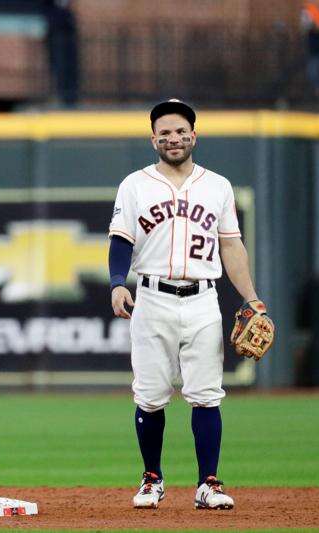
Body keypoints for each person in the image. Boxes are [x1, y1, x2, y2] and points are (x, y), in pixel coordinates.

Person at [108, 99, 268, 510]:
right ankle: (151, 479)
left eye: (180, 131)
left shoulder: (217, 186)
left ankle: (208, 484)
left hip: (202, 300)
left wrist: (251, 298)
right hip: (151, 296)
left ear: (194, 135)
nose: (173, 138)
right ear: (153, 139)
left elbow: (231, 245)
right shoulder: (135, 184)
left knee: (206, 394)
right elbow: (121, 239)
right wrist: (116, 283)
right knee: (149, 394)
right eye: (164, 133)